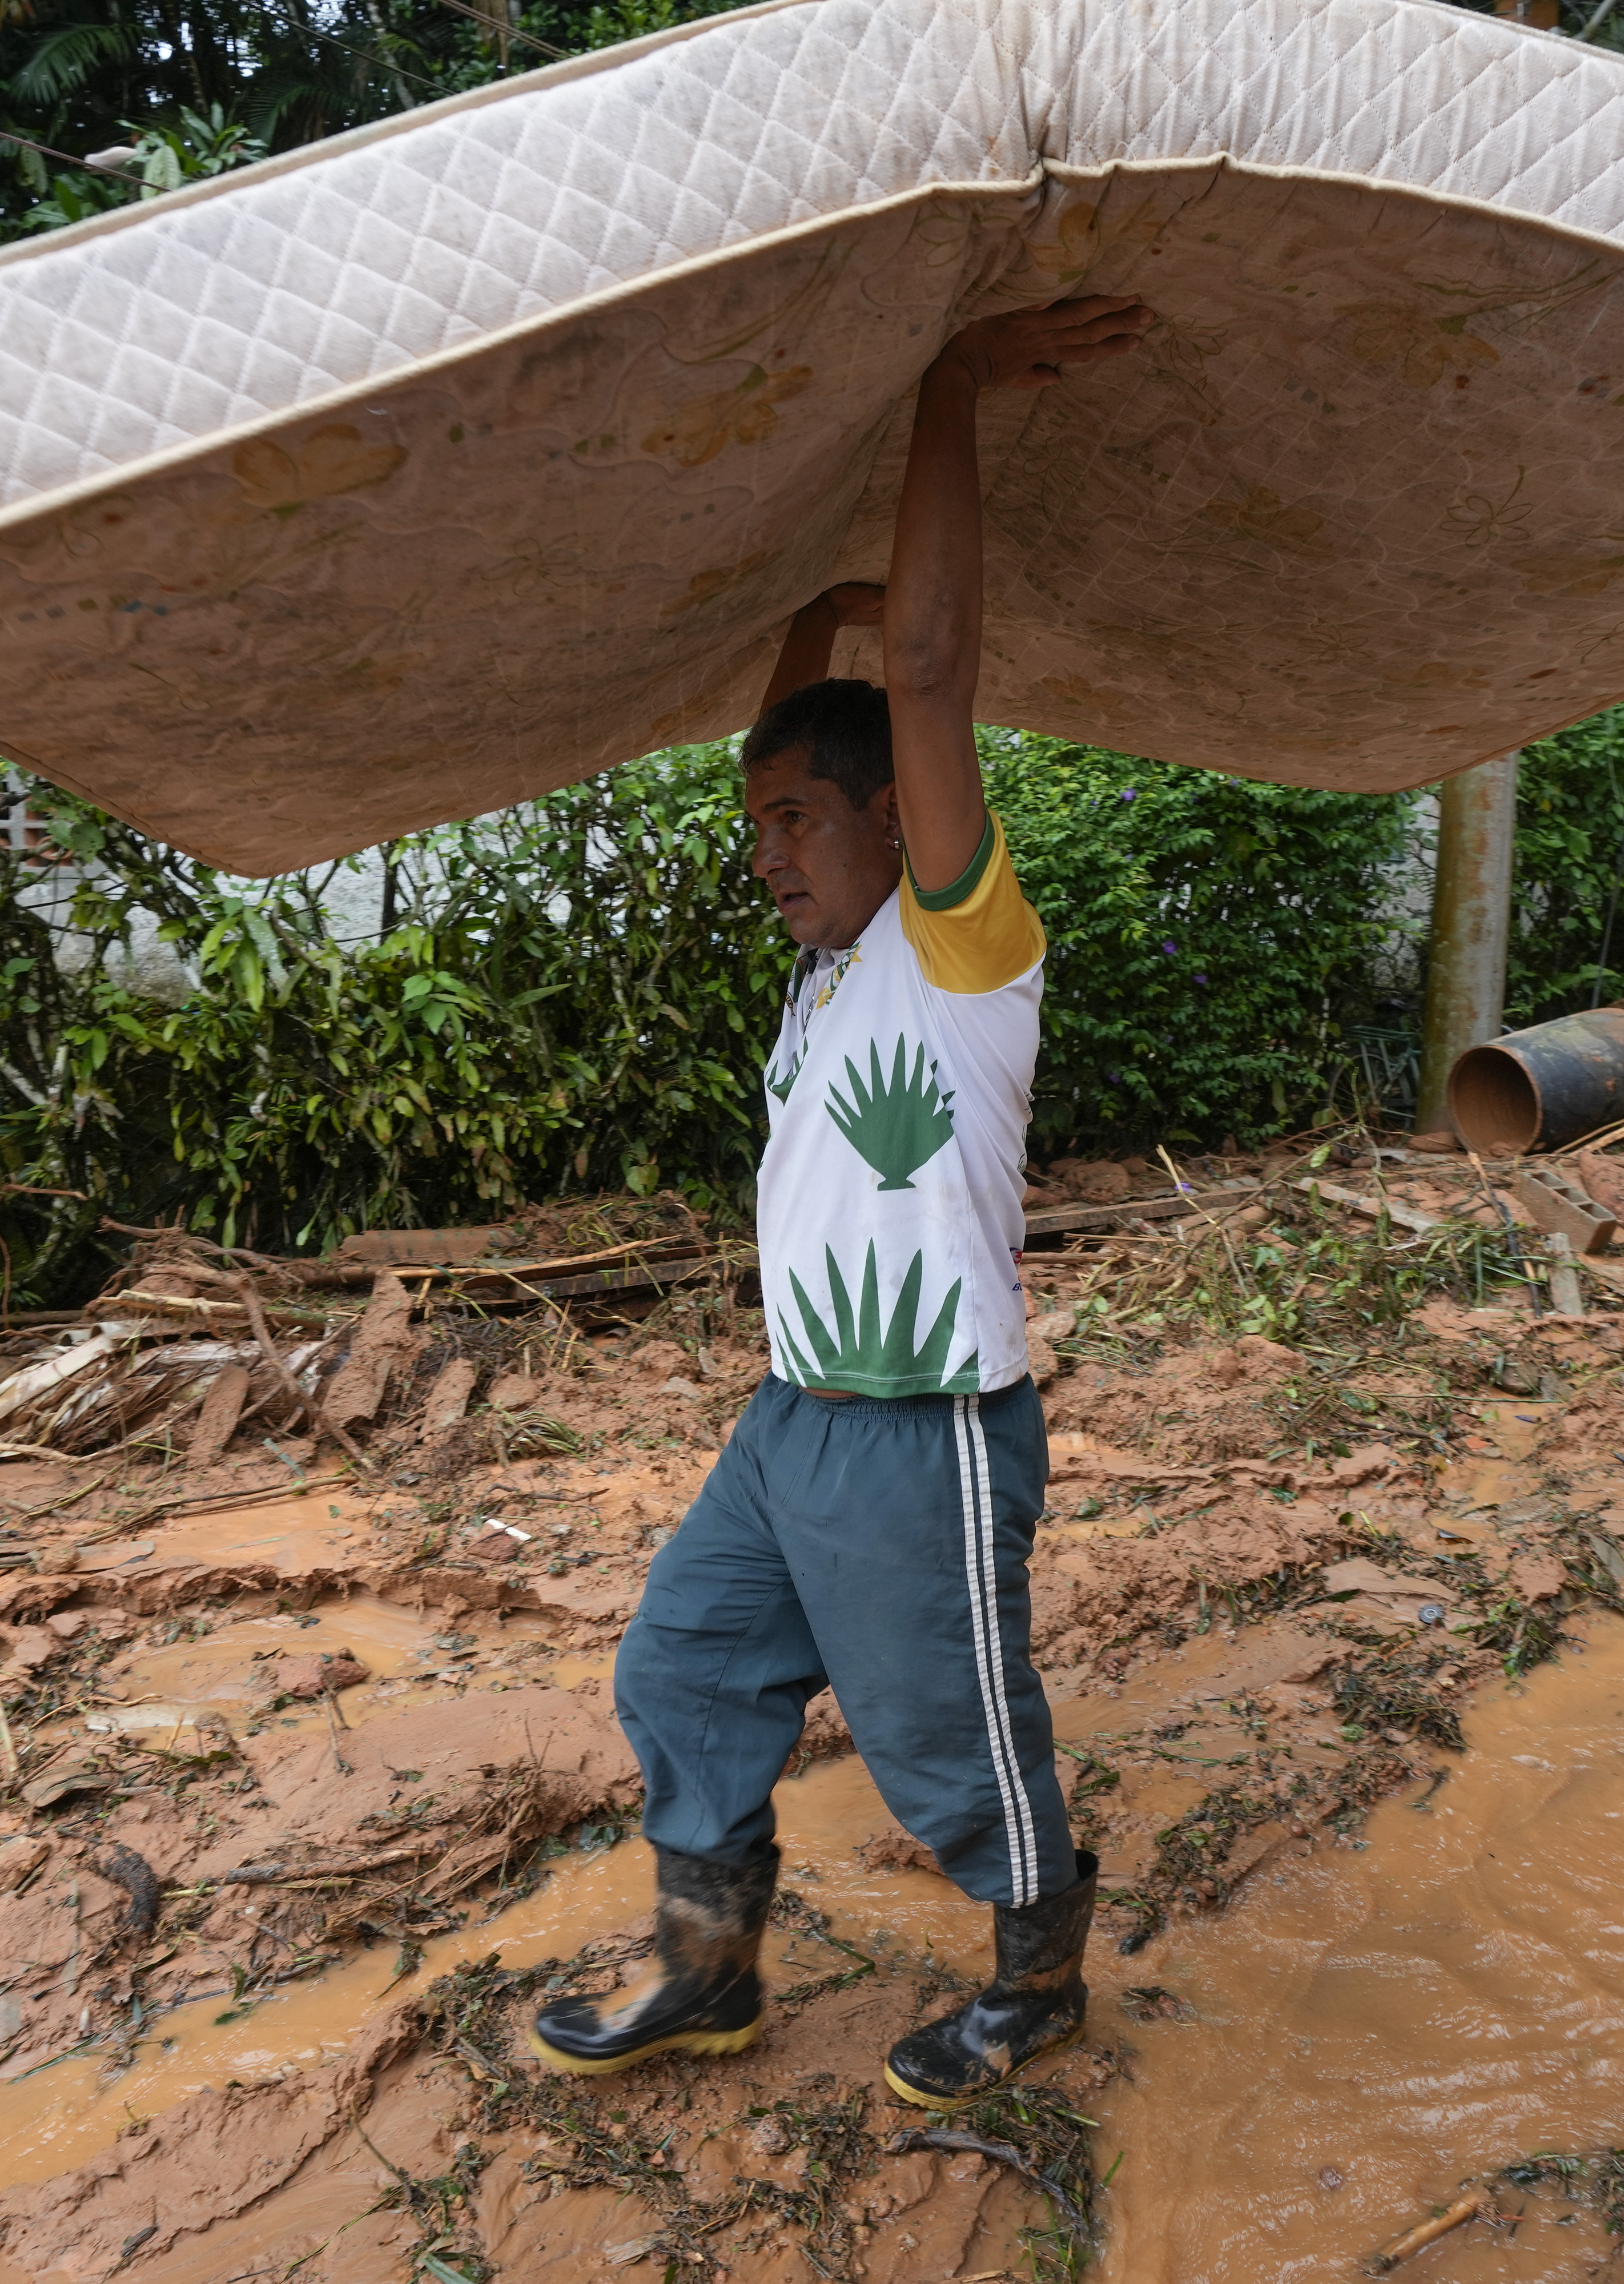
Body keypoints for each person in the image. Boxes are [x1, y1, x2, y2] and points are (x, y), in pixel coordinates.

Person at [528, 293, 1149, 2110]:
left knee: (946, 1743)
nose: (769, 854)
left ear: (901, 821)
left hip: (924, 1434)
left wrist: (942, 382)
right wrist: (818, 586)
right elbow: (812, 698)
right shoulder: (822, 972)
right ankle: (711, 1973)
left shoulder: (961, 952)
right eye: (757, 828)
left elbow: (929, 680)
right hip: (791, 1423)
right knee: (683, 1664)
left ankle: (1037, 1983)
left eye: (800, 819)